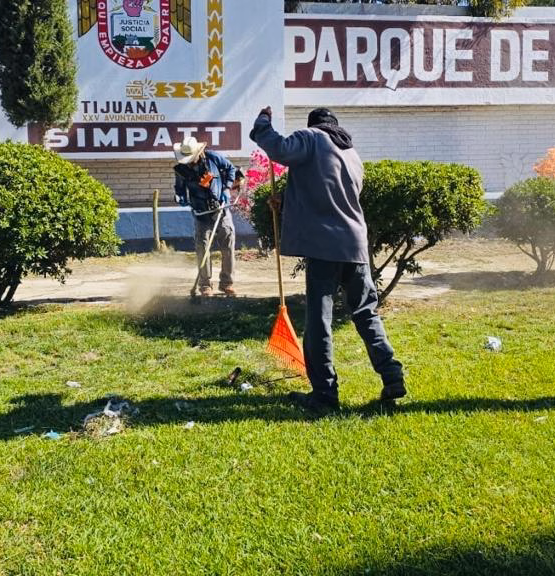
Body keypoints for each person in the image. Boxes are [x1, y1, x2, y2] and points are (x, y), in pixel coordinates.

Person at [250, 106, 405, 411]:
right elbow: (331, 196)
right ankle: (392, 374)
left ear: (314, 126)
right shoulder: (350, 153)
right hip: (356, 245)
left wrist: (262, 122)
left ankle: (324, 394)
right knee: (366, 313)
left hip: (325, 247)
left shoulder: (312, 137)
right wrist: (287, 201)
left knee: (319, 322)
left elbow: (279, 148)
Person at [173, 135, 244, 296]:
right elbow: (179, 189)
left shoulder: (213, 158)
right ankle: (205, 285)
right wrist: (181, 198)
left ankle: (227, 283)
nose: (188, 161)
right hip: (201, 213)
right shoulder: (180, 169)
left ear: (198, 152)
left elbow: (231, 169)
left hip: (221, 209)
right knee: (202, 248)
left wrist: (226, 188)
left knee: (228, 246)